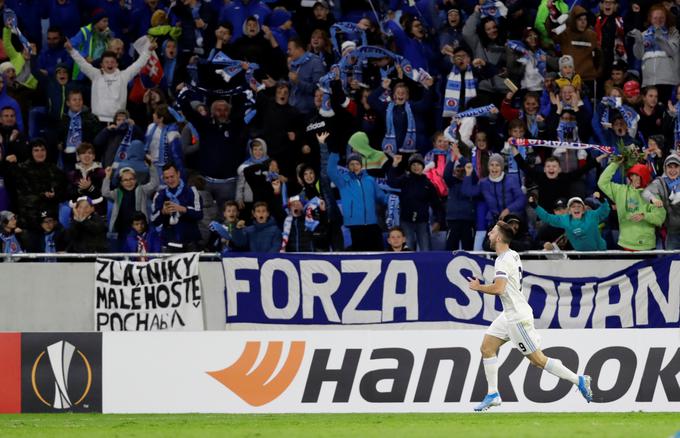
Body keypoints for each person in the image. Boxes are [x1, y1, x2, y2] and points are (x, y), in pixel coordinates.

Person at [468, 220, 593, 411]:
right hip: (508, 314)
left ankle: (579, 380)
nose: (489, 235)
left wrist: (478, 287)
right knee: (487, 348)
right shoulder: (512, 255)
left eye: (492, 232)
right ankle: (493, 394)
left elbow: (499, 288)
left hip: (517, 318)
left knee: (538, 360)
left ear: (500, 237)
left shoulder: (503, 260)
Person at [65, 38, 155, 122]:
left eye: (112, 62)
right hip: (97, 122)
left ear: (116, 64)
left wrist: (148, 51)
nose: (110, 64)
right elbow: (82, 63)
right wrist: (71, 51)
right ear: (102, 64)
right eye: (106, 62)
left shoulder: (123, 76)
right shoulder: (95, 74)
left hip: (117, 121)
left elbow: (138, 65)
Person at [597, 157, 666, 250]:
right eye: (633, 175)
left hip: (646, 245)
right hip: (625, 243)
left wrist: (644, 216)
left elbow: (660, 217)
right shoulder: (620, 191)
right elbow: (602, 182)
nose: (635, 179)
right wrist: (615, 164)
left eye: (639, 176)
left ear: (645, 177)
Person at [530, 193, 611, 251]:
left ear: (583, 210)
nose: (576, 208)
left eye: (579, 206)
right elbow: (547, 217)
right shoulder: (565, 220)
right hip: (580, 256)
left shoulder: (592, 215)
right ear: (569, 211)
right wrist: (535, 206)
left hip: (600, 253)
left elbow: (605, 210)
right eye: (573, 206)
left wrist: (602, 200)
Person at [151, 163, 203, 252]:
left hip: (190, 243)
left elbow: (199, 214)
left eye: (172, 176)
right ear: (163, 178)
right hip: (169, 242)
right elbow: (154, 220)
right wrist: (163, 212)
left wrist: (183, 209)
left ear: (178, 174)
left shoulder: (191, 191)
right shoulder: (159, 195)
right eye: (166, 178)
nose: (170, 180)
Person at [642, 154, 680, 249]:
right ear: (665, 168)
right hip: (672, 232)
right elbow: (645, 193)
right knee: (672, 261)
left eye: (676, 167)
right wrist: (653, 199)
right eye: (669, 167)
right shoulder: (660, 182)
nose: (673, 170)